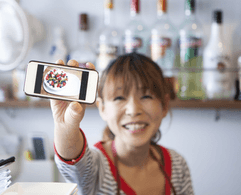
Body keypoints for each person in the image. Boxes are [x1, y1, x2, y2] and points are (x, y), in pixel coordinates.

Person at [51, 52, 194, 195]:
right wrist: (65, 126)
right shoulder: (97, 167)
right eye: (119, 97)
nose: (133, 110)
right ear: (102, 108)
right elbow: (73, 161)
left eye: (146, 96)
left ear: (165, 104)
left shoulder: (177, 164)